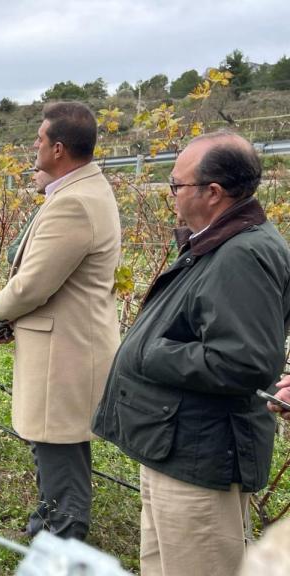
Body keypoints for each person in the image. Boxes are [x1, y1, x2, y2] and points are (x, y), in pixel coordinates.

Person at [93, 131, 290, 576]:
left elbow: (244, 361)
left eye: (177, 186)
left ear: (213, 193)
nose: (172, 196)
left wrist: (147, 352)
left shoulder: (243, 254)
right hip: (177, 444)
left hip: (201, 456)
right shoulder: (220, 243)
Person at [0, 102, 121, 540]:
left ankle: (62, 535)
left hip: (65, 349)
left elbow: (33, 285)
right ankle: (48, 523)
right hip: (67, 342)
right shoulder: (82, 191)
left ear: (58, 148)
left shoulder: (75, 203)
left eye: (39, 139)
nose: (34, 145)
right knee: (54, 441)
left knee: (59, 443)